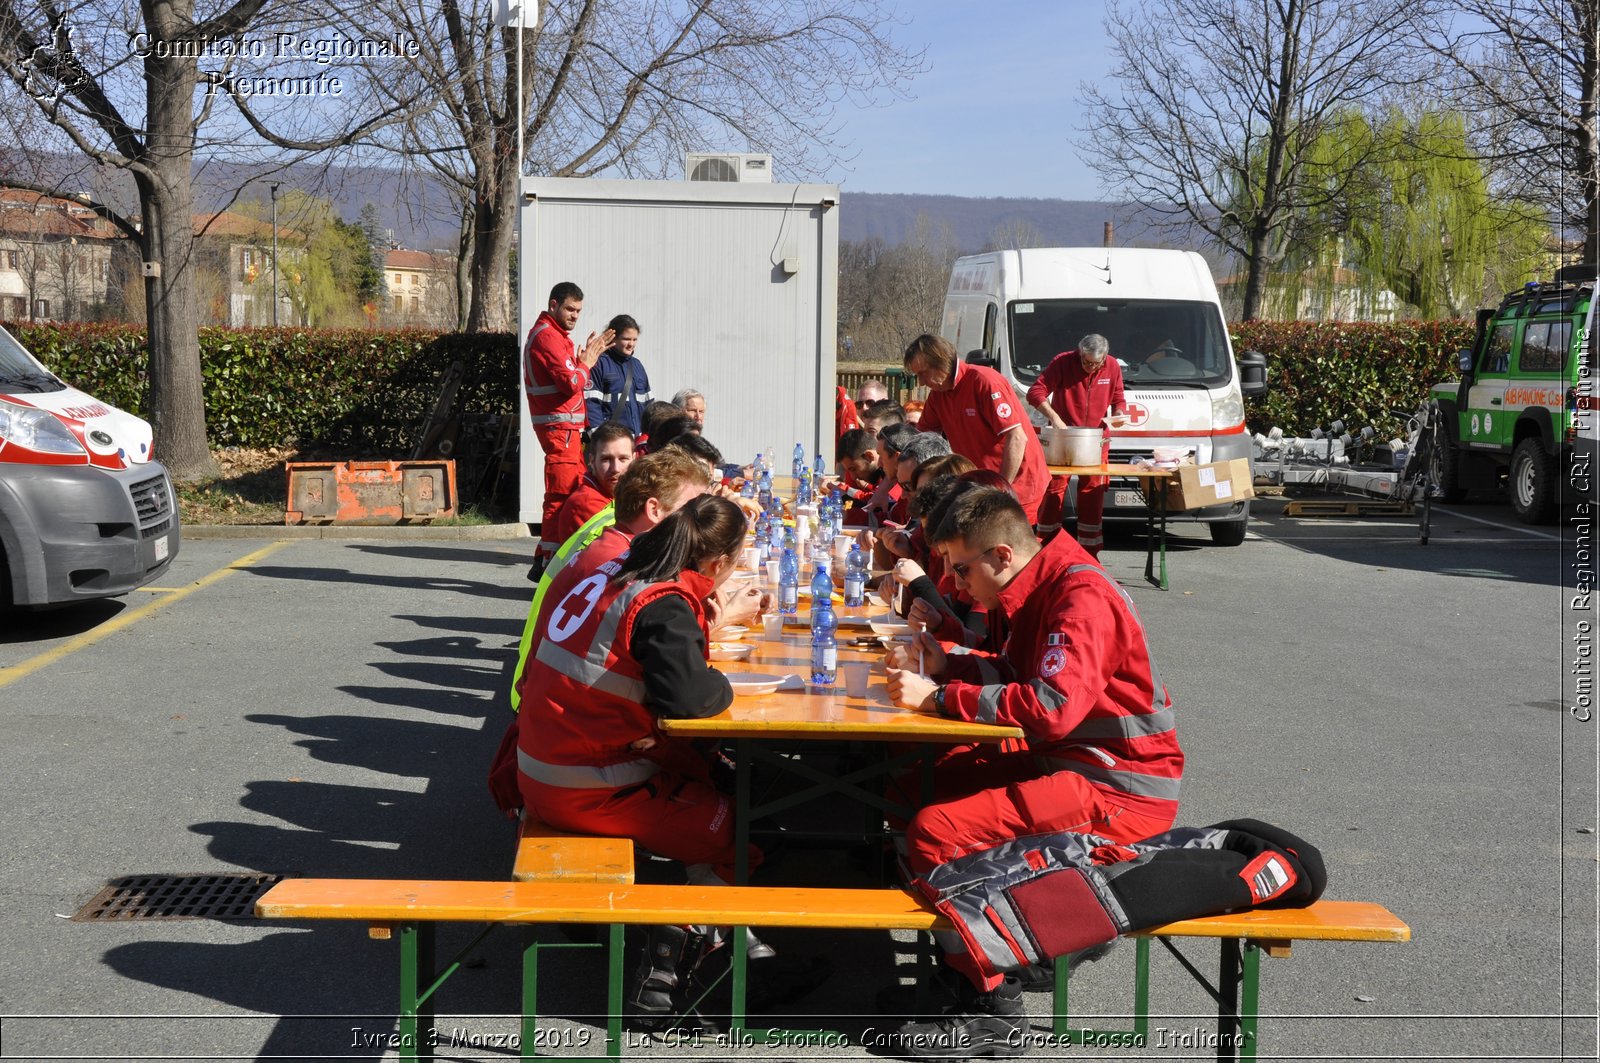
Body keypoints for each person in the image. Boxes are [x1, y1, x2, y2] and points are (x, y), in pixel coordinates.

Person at [881, 486, 1182, 1056]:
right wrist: (954, 662)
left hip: (1119, 788)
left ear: (1000, 555)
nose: (953, 583)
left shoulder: (1079, 596)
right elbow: (1019, 674)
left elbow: (1050, 707)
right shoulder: (1044, 581)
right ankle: (965, 968)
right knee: (915, 779)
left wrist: (942, 698)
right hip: (1076, 768)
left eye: (960, 568)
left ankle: (989, 1005)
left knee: (936, 830)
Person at [514, 495, 769, 1024]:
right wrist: (714, 665)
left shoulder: (620, 568)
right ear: (719, 565)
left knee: (711, 786)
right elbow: (695, 701)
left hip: (546, 761)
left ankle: (734, 946)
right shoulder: (663, 602)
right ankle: (677, 967)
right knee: (738, 830)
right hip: (588, 785)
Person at [503, 448, 721, 717]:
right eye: (692, 511)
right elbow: (685, 692)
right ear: (654, 509)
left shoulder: (611, 545)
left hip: (545, 716)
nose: (700, 522)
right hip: (573, 734)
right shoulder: (632, 566)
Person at [903, 334, 1048, 523]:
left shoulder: (984, 381)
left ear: (941, 363)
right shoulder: (938, 396)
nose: (921, 382)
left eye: (922, 373)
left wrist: (1000, 489)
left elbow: (1017, 438)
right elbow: (919, 441)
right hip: (981, 488)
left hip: (1018, 486)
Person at [524, 281, 614, 572]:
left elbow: (574, 380)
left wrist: (582, 361)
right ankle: (549, 564)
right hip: (559, 431)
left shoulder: (554, 335)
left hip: (567, 431)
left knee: (570, 491)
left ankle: (549, 556)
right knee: (561, 495)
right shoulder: (548, 337)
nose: (575, 315)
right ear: (554, 305)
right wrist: (585, 363)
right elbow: (572, 382)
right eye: (570, 309)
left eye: (578, 310)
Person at [1026, 333, 1126, 555]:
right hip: (1064, 439)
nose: (1090, 367)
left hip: (1096, 442)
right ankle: (1046, 549)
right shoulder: (1062, 362)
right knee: (1053, 491)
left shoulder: (1112, 367)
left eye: (1095, 364)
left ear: (1105, 358)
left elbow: (1119, 398)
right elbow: (1035, 392)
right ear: (1079, 353)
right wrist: (1055, 418)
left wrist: (1119, 414)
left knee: (1093, 493)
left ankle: (1089, 553)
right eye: (1085, 361)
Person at [550, 422, 634, 546]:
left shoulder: (625, 493)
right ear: (592, 461)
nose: (615, 468)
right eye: (606, 459)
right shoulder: (586, 502)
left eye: (623, 459)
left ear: (635, 458)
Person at [584, 314, 653, 434]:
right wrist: (600, 439)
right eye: (626, 339)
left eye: (634, 339)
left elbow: (649, 406)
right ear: (613, 338)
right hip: (612, 444)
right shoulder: (599, 364)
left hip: (638, 444)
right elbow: (591, 405)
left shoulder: (637, 366)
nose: (631, 344)